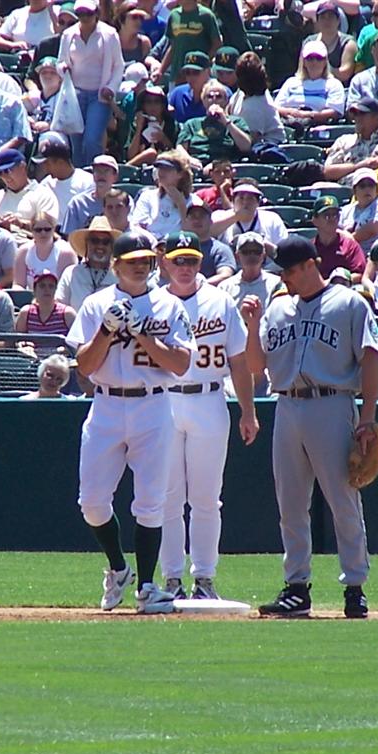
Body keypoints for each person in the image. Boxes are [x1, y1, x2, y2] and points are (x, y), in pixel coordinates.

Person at [240, 235, 378, 619]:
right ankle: (296, 588)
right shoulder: (277, 309)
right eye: (282, 271)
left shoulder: (348, 302)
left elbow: (371, 359)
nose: (284, 278)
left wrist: (367, 417)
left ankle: (355, 587)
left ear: (309, 265)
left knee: (342, 499)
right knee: (290, 503)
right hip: (287, 405)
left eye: (289, 270)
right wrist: (252, 325)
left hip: (332, 404)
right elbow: (256, 366)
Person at [66, 232, 195, 614]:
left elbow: (181, 365)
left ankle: (149, 587)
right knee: (91, 502)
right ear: (116, 265)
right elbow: (84, 370)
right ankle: (119, 569)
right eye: (132, 260)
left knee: (150, 503)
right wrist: (107, 332)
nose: (141, 265)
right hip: (106, 405)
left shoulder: (169, 305)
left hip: (153, 405)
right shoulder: (95, 304)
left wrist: (141, 334)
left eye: (146, 259)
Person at [157, 231, 257, 600]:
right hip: (164, 400)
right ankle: (171, 578)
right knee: (167, 497)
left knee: (206, 498)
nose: (184, 267)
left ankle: (204, 578)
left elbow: (238, 360)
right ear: (165, 260)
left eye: (191, 260)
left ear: (202, 263)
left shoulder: (220, 301)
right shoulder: (152, 302)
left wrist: (248, 410)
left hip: (209, 397)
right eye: (178, 259)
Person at [56, 0, 125, 167]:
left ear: (96, 13)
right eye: (80, 13)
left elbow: (119, 65)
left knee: (92, 139)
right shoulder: (68, 35)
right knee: (77, 142)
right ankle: (80, 175)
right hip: (75, 95)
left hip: (99, 95)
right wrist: (63, 68)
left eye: (88, 13)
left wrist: (110, 87)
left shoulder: (109, 34)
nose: (84, 17)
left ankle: (94, 173)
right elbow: (60, 62)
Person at [0, 149, 60, 242]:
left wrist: (20, 223)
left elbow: (49, 228)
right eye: (0, 173)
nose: (5, 177)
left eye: (7, 171)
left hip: (31, 248)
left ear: (22, 165)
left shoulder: (43, 195)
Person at [211, 180, 289, 267]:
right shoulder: (220, 215)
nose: (245, 202)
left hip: (266, 269)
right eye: (241, 198)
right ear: (233, 200)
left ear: (258, 202)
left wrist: (262, 245)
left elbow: (283, 253)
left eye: (250, 198)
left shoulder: (272, 219)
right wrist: (236, 216)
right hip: (230, 269)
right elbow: (205, 233)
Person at [275, 39, 347, 128]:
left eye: (319, 58)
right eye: (310, 58)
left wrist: (309, 115)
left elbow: (335, 112)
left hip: (317, 127)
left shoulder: (334, 84)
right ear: (304, 62)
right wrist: (292, 112)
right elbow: (275, 107)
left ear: (325, 62)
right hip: (289, 124)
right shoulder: (291, 82)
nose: (314, 62)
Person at [130, 151, 200, 239]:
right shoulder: (147, 196)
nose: (162, 172)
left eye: (167, 169)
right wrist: (154, 242)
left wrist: (181, 205)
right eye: (160, 168)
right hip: (149, 246)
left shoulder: (194, 201)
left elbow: (192, 234)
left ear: (180, 174)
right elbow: (136, 226)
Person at [56, 215, 121, 309]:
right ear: (87, 244)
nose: (100, 246)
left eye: (105, 242)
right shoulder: (71, 273)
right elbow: (59, 307)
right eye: (95, 241)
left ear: (112, 246)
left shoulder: (120, 276)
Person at [33, 131, 94, 226]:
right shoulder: (46, 184)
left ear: (60, 162)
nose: (45, 168)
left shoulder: (87, 181)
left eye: (47, 163)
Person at [227, 52, 285, 149]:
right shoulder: (240, 93)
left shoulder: (257, 104)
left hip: (267, 149)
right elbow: (228, 111)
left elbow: (249, 141)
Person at [323, 96, 378, 184]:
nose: (357, 118)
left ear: (377, 118)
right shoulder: (344, 141)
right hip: (345, 190)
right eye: (355, 114)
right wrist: (360, 166)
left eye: (362, 114)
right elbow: (327, 172)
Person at [159, 0, 220, 85]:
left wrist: (202, 64)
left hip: (199, 75)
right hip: (177, 75)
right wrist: (161, 71)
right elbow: (173, 47)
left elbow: (216, 44)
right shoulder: (174, 15)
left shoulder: (206, 15)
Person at [311, 195, 367, 282]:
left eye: (335, 215)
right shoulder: (310, 248)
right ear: (315, 220)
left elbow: (359, 274)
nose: (332, 219)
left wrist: (336, 281)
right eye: (326, 216)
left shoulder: (349, 245)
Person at [14, 211, 76, 288]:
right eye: (38, 230)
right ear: (32, 230)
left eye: (47, 229)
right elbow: (19, 285)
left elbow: (66, 288)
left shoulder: (65, 253)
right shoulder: (23, 251)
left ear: (53, 229)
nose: (43, 233)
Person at [219, 231, 281, 307]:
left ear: (264, 255)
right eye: (246, 252)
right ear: (237, 256)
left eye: (257, 251)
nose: (252, 255)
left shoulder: (277, 284)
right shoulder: (225, 288)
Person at [62, 154, 118, 236]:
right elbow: (69, 236)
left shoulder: (123, 200)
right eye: (98, 171)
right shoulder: (78, 203)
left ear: (115, 177)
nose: (101, 175)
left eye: (106, 171)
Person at [184, 199, 235, 285]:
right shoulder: (177, 247)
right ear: (186, 221)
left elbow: (226, 275)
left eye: (202, 216)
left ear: (211, 221)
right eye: (193, 216)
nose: (197, 220)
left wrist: (198, 286)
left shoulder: (220, 249)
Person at [340, 168, 378, 253]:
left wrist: (346, 240)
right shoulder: (346, 210)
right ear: (354, 191)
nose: (367, 189)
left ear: (377, 189)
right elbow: (334, 230)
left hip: (377, 257)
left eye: (371, 185)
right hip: (350, 255)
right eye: (362, 186)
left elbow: (372, 229)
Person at [15, 268, 75, 337]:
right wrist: (24, 345)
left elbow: (76, 342)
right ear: (34, 290)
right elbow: (17, 341)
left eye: (51, 286)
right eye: (42, 286)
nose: (47, 289)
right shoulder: (26, 314)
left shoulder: (67, 314)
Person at [126, 83, 177, 165]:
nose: (152, 106)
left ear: (163, 105)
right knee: (150, 153)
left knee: (152, 153)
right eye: (148, 102)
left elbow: (176, 153)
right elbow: (130, 155)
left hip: (166, 167)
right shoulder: (136, 124)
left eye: (157, 102)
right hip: (139, 169)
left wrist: (163, 138)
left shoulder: (171, 125)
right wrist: (139, 129)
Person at [307, 1, 357, 84]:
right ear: (317, 21)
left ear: (338, 21)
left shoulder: (348, 43)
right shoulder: (309, 42)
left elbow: (344, 73)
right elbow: (301, 71)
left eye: (331, 16)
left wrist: (318, 68)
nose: (327, 20)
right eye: (323, 17)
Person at [167, 50, 212, 124]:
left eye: (196, 72)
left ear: (208, 71)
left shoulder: (219, 94)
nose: (191, 77)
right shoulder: (178, 93)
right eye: (187, 73)